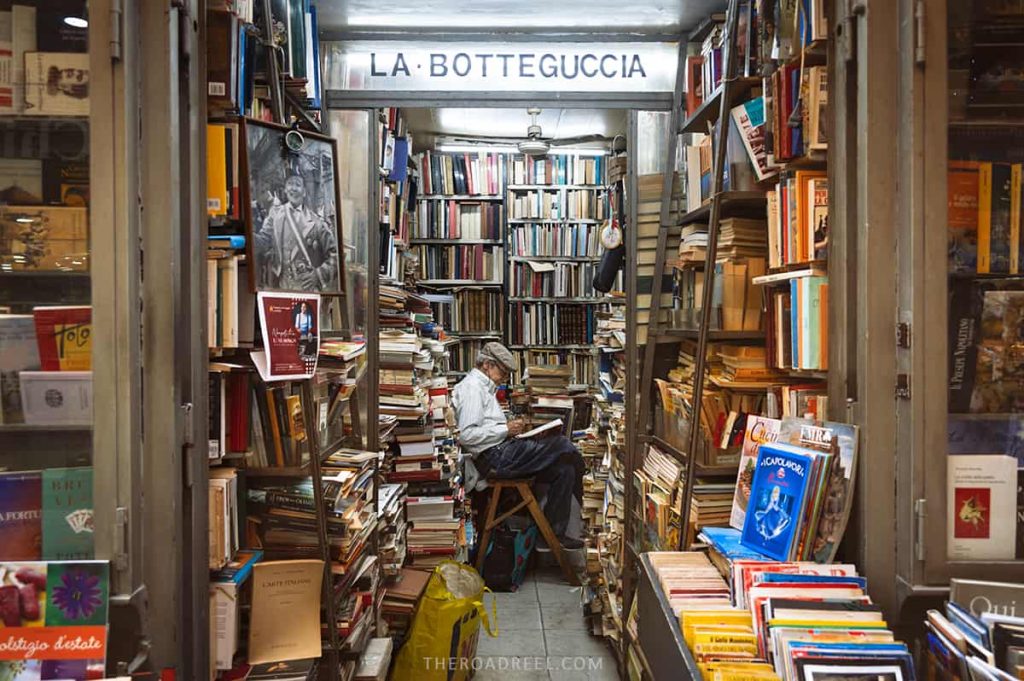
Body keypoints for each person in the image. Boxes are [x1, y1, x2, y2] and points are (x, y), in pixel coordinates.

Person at [452, 342, 585, 550]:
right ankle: (585, 495)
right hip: (495, 458)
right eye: (503, 373)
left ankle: (552, 535)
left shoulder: (485, 388)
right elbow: (466, 435)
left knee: (565, 470)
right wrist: (506, 429)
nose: (504, 379)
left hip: (502, 451)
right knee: (562, 444)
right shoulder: (472, 389)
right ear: (487, 365)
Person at [254, 174, 339, 292]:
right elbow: (263, 241)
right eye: (289, 184)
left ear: (304, 192)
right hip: (280, 287)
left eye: (297, 185)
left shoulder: (316, 223)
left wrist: (318, 275)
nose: (293, 188)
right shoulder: (275, 215)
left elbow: (335, 256)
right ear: (285, 189)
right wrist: (247, 235)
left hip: (306, 289)